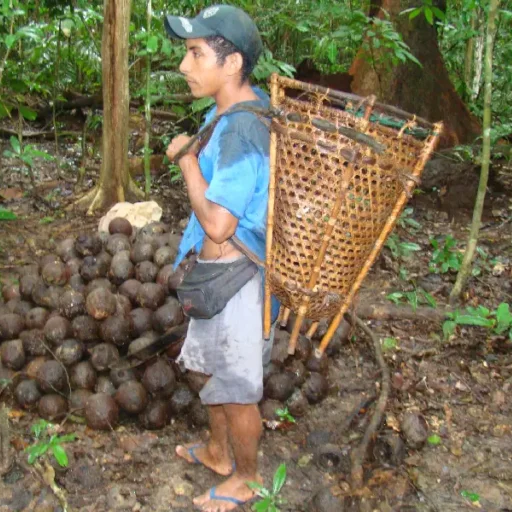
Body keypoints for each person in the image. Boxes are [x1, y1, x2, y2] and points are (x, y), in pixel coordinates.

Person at [163, 4, 278, 511]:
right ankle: (216, 451)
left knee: (237, 384)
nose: (185, 66)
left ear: (232, 64)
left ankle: (248, 477)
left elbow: (219, 223)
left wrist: (187, 159)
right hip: (217, 275)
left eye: (196, 53)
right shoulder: (226, 112)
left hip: (239, 278)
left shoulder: (241, 129)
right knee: (213, 369)